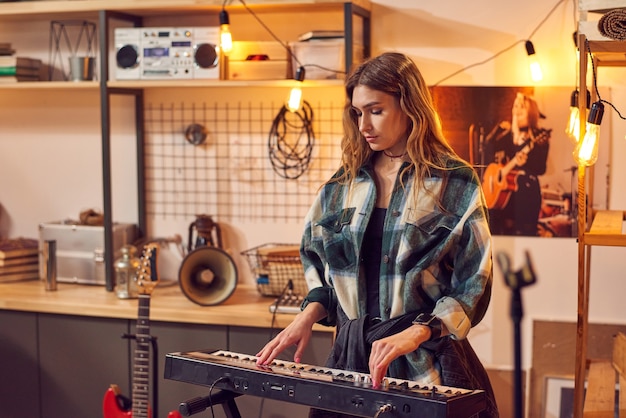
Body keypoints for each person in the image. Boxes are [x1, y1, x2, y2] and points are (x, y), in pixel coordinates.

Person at [256, 52, 499, 418]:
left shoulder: (456, 181)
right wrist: (306, 315)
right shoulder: (343, 183)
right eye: (357, 112)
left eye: (376, 110)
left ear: (409, 106)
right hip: (349, 362)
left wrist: (418, 332)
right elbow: (321, 268)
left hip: (424, 365)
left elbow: (473, 285)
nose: (364, 124)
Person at [482, 92, 551, 236]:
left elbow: (541, 169)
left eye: (522, 107)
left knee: (524, 234)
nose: (517, 109)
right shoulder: (505, 136)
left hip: (526, 194)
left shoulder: (539, 137)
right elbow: (488, 152)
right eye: (516, 106)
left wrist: (527, 163)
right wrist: (499, 129)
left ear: (531, 113)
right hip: (501, 195)